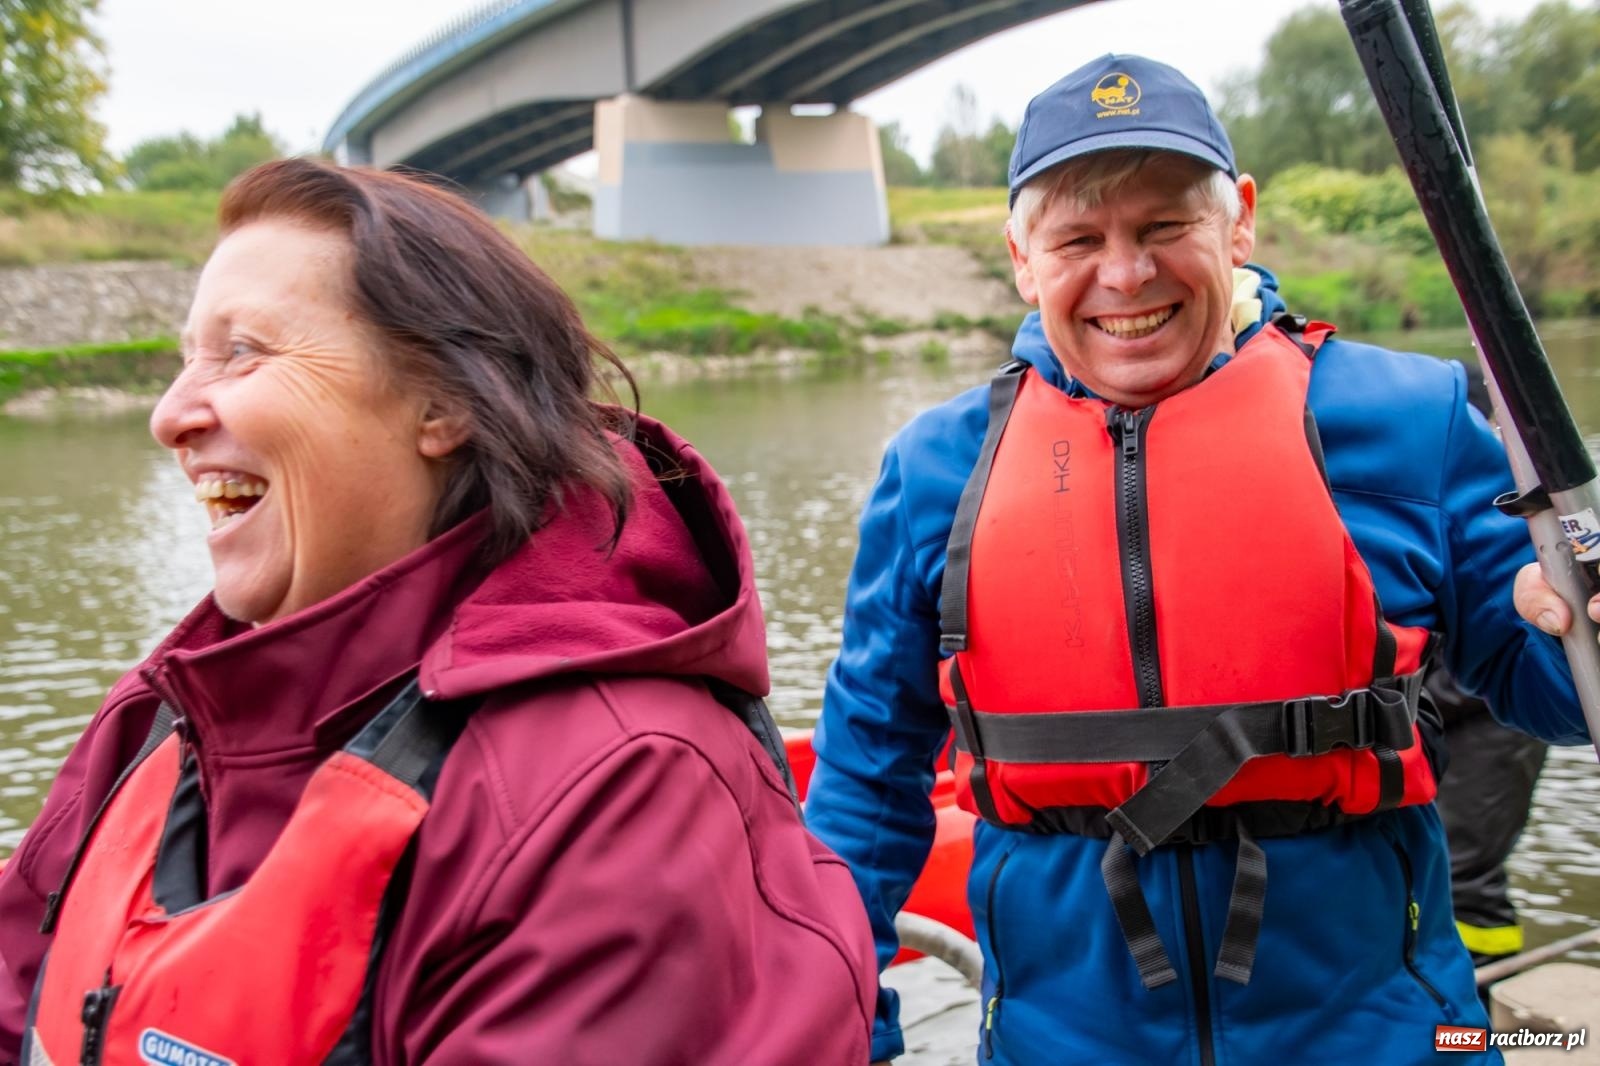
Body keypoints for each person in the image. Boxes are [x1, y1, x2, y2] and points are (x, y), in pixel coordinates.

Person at [803, 54, 1592, 1065]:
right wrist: (841, 1018)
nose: (1125, 274)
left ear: (1239, 221)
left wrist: (1570, 623)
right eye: (1079, 239)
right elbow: (866, 780)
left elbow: (1552, 697)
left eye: (1165, 226)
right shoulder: (933, 470)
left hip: (1378, 1033)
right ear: (1020, 258)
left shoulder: (1407, 418)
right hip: (1061, 1041)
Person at [0, 159, 876, 1065]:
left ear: (442, 403)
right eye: (184, 359)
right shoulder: (155, 719)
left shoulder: (618, 787)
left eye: (243, 352)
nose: (169, 415)